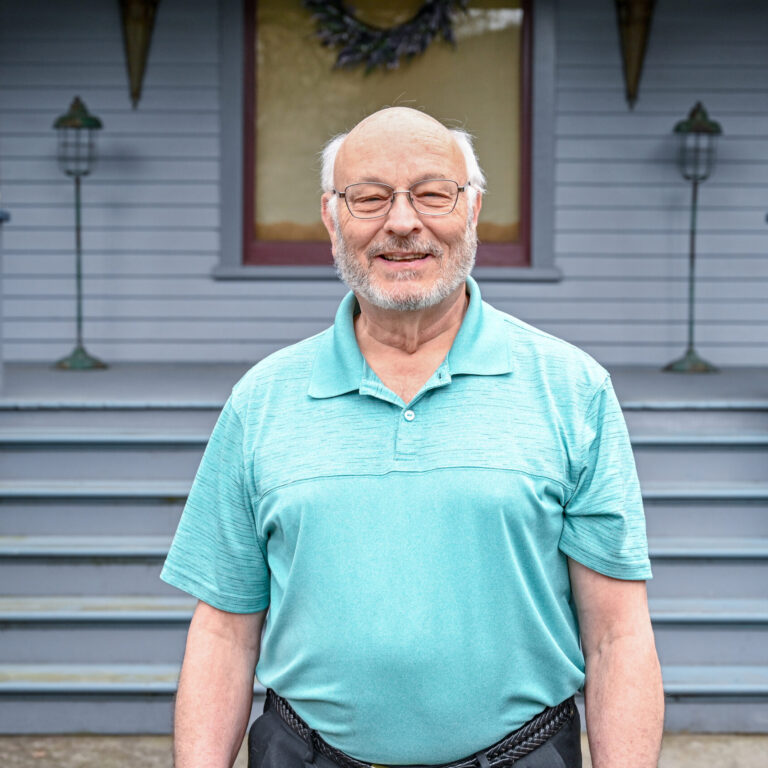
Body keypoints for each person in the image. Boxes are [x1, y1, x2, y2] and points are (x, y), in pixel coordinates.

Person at [161, 107, 664, 768]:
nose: (402, 223)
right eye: (369, 198)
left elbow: (617, 637)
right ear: (331, 217)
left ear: (474, 209)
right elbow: (224, 632)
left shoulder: (572, 390)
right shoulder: (262, 400)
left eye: (433, 194)